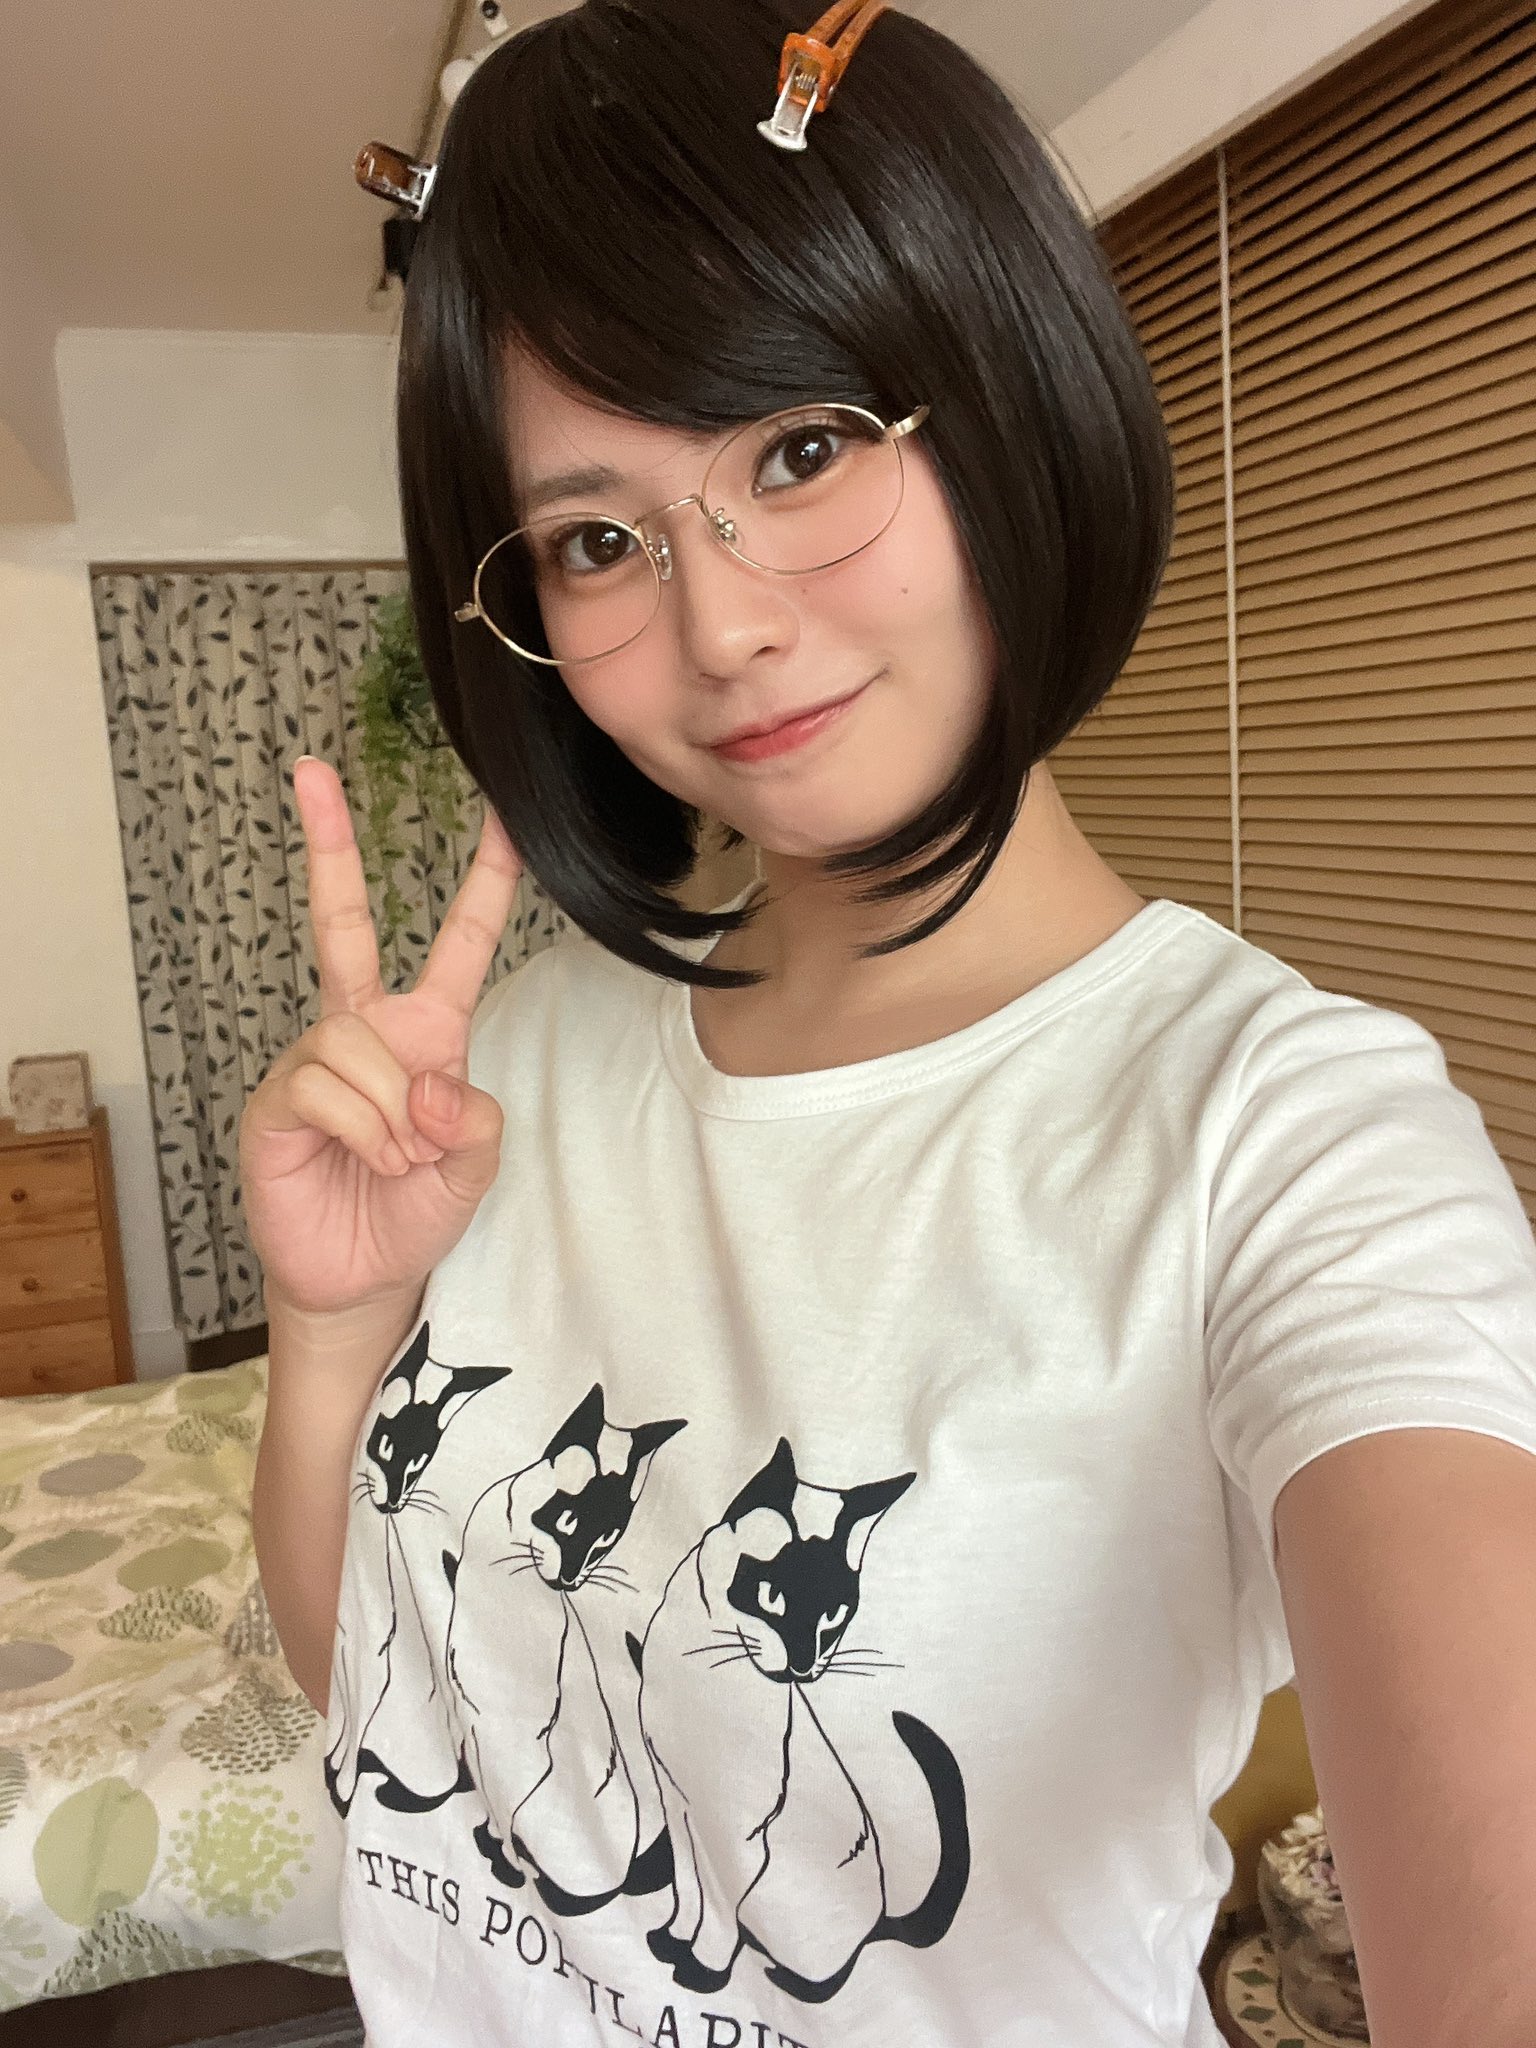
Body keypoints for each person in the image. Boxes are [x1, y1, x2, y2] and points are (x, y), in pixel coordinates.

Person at [241, 3, 1536, 2043]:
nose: (727, 623)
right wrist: (329, 1334)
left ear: (1005, 394)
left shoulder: (1284, 1137)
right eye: (597, 539)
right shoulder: (509, 1073)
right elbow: (401, 1716)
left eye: (801, 447)